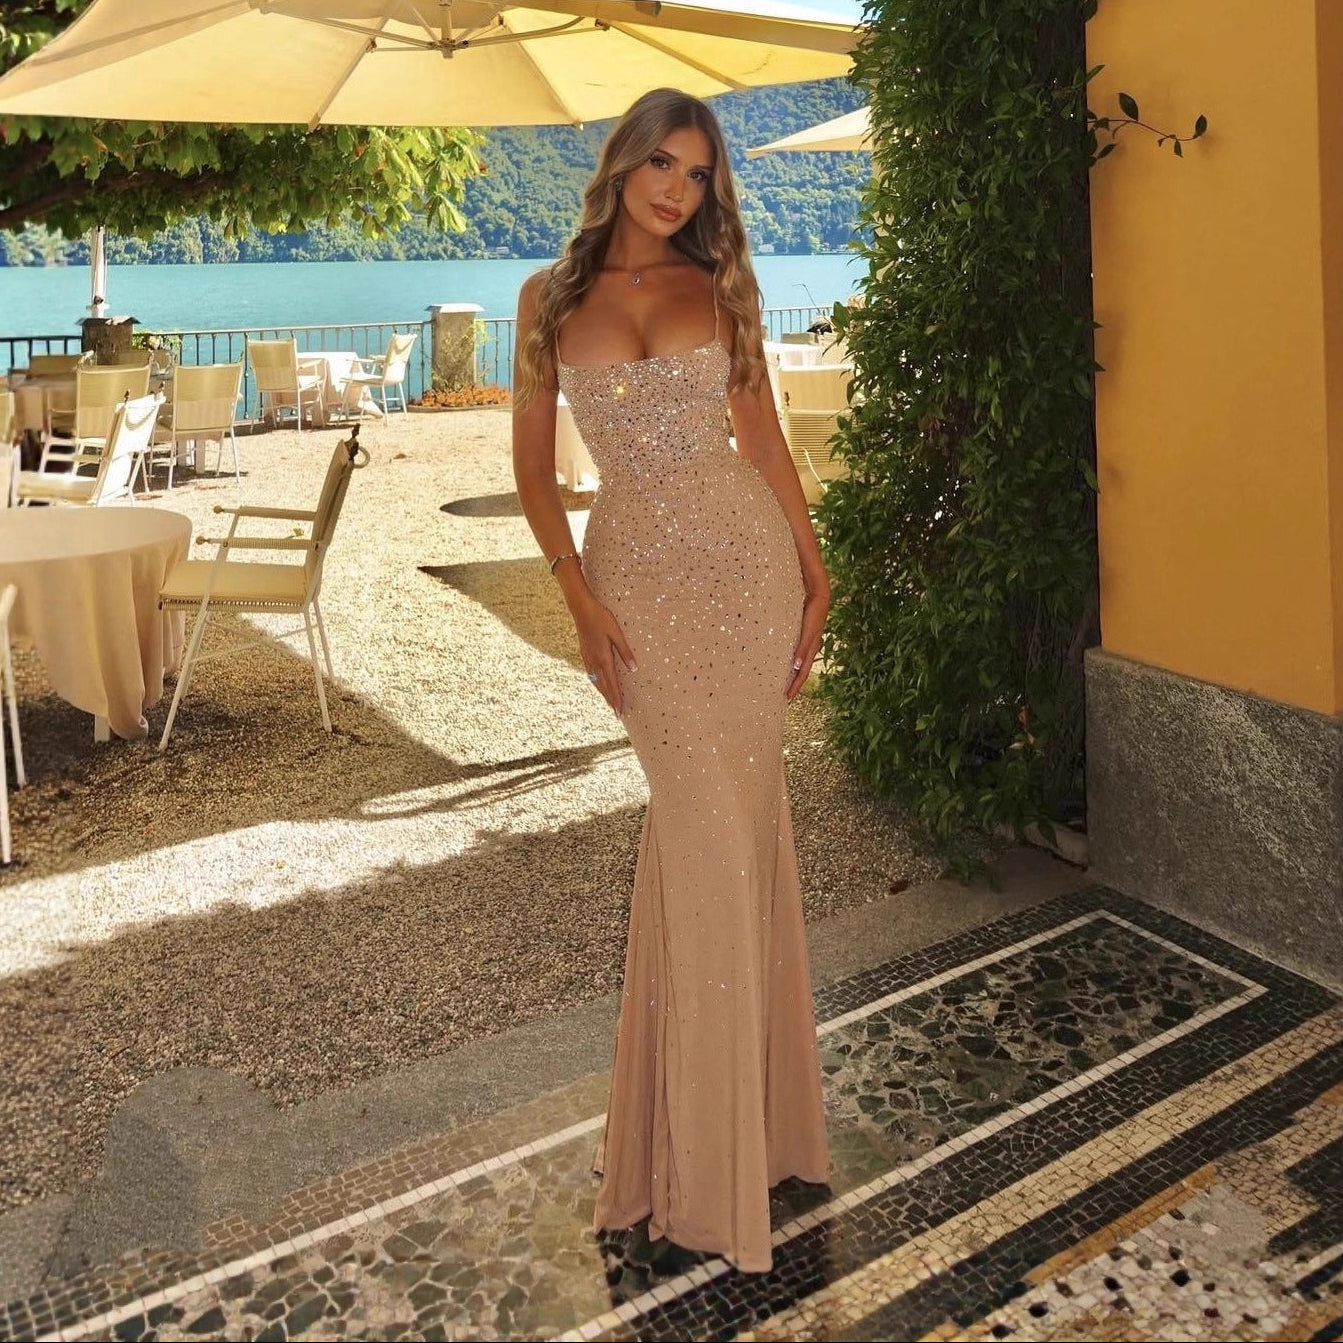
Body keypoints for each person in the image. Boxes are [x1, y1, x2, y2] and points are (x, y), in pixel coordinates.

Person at [511, 88, 831, 1275]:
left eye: (696, 174)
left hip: (746, 573)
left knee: (731, 835)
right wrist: (576, 598)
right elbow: (532, 471)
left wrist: (813, 570)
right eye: (661, 163)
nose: (675, 190)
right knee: (701, 833)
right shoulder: (547, 299)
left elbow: (762, 437)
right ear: (622, 163)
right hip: (636, 588)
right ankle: (697, 1150)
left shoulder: (720, 283)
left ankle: (733, 1142)